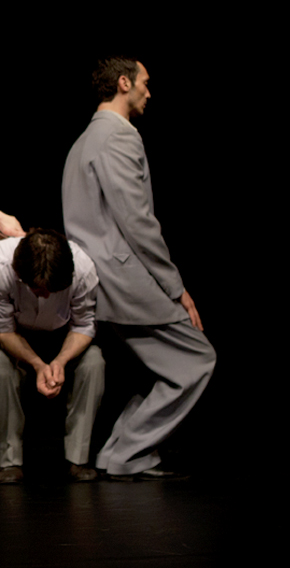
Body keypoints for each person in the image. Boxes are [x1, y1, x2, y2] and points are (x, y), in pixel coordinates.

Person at [62, 56, 216, 479]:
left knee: (175, 366)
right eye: (145, 82)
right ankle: (127, 451)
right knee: (198, 359)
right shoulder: (117, 136)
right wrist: (175, 287)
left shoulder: (85, 140)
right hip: (124, 277)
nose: (150, 91)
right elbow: (138, 221)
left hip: (99, 277)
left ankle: (119, 452)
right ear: (124, 83)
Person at [0, 228, 105, 483]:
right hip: (17, 338)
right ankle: (9, 462)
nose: (47, 295)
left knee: (94, 362)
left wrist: (60, 361)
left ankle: (77, 460)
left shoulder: (83, 268)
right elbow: (3, 331)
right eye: (38, 289)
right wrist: (38, 365)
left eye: (53, 289)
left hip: (64, 338)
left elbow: (84, 325)